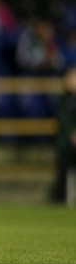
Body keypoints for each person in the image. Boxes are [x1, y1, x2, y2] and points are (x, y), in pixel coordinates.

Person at [51, 66, 76, 205]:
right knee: (65, 160)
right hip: (67, 143)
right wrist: (73, 134)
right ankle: (60, 196)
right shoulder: (63, 99)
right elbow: (63, 120)